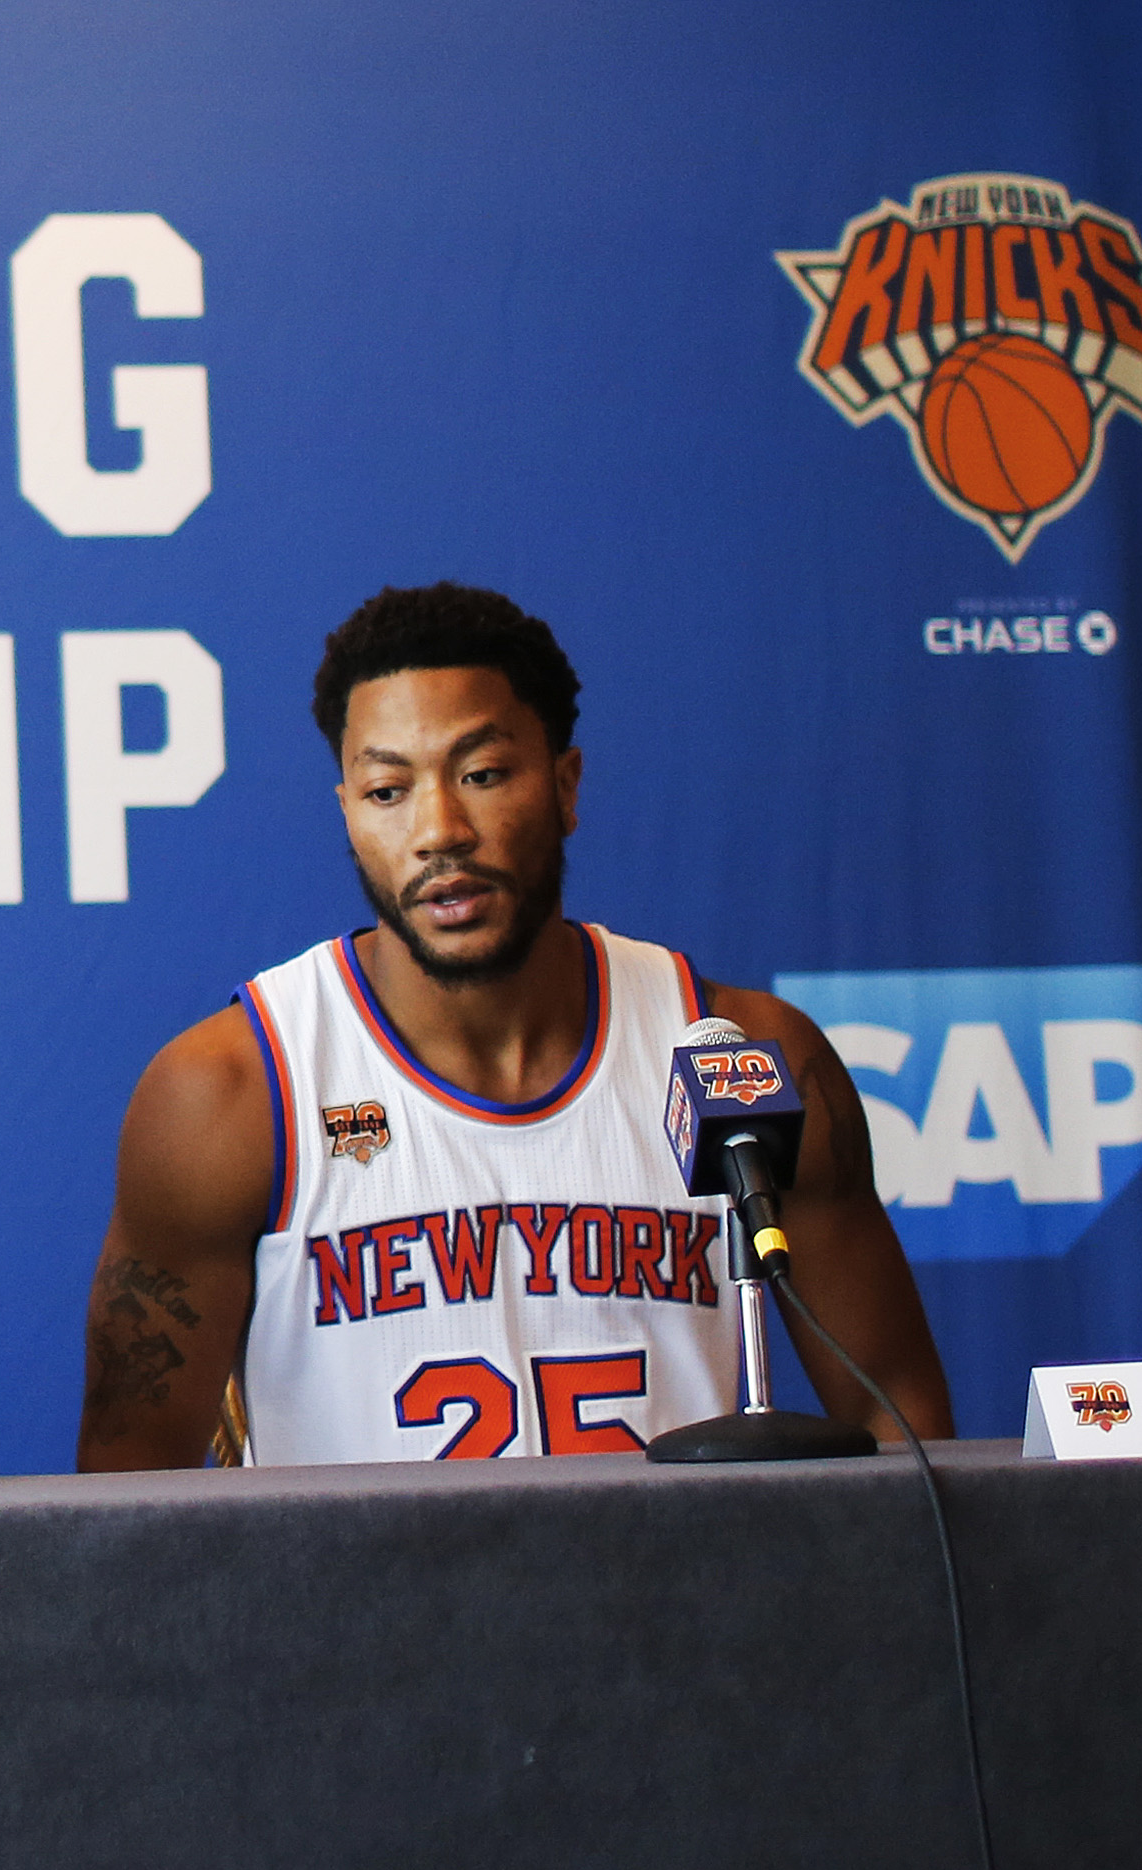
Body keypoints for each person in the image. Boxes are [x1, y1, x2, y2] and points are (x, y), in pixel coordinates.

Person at [75, 583, 951, 1469]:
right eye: (387, 790)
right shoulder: (234, 1091)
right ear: (346, 812)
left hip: (680, 1607)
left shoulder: (742, 1054)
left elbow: (902, 1428)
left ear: (565, 785)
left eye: (481, 775)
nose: (437, 831)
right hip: (355, 1611)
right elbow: (126, 1499)